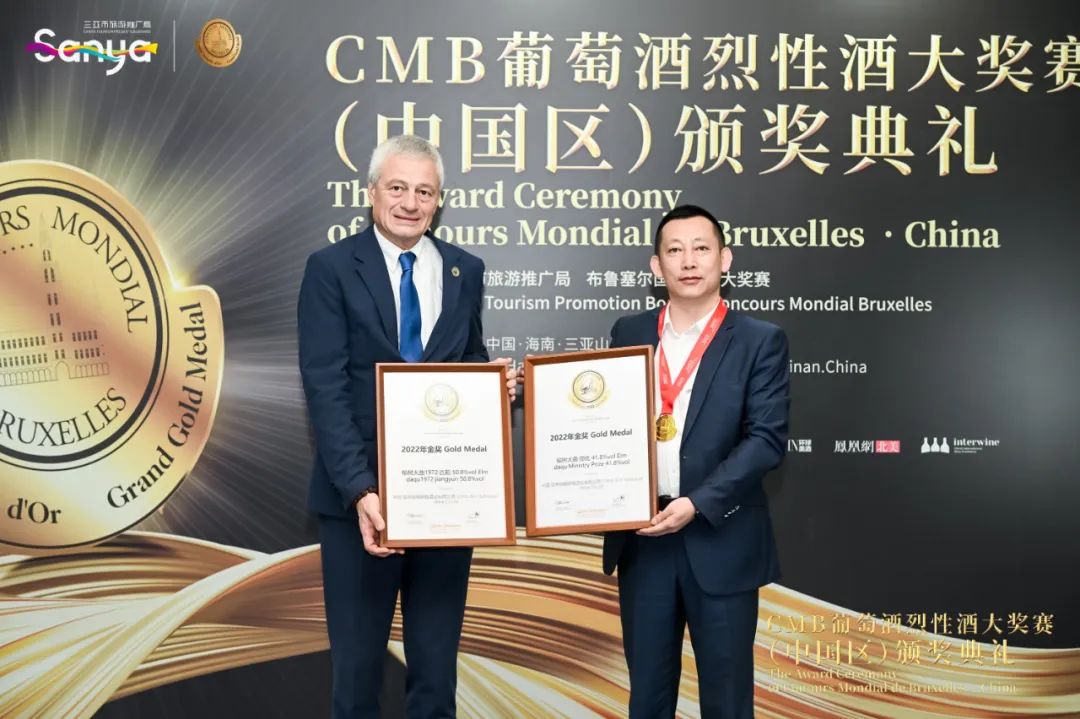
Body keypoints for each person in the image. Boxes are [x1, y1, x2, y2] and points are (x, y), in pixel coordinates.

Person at [298, 135, 517, 719]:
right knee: (356, 679)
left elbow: (467, 359)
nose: (410, 202)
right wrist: (361, 492)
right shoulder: (330, 269)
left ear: (439, 200)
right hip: (359, 505)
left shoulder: (465, 270)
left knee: (436, 677)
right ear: (372, 192)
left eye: (424, 191)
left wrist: (489, 385)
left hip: (445, 500)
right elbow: (325, 388)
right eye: (397, 188)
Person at [605, 204, 790, 718]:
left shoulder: (759, 340)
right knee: (647, 699)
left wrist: (698, 502)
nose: (689, 261)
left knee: (727, 703)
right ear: (656, 266)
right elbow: (605, 423)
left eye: (701, 248)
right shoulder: (628, 332)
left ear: (724, 259)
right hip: (643, 540)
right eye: (675, 250)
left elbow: (766, 439)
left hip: (720, 537)